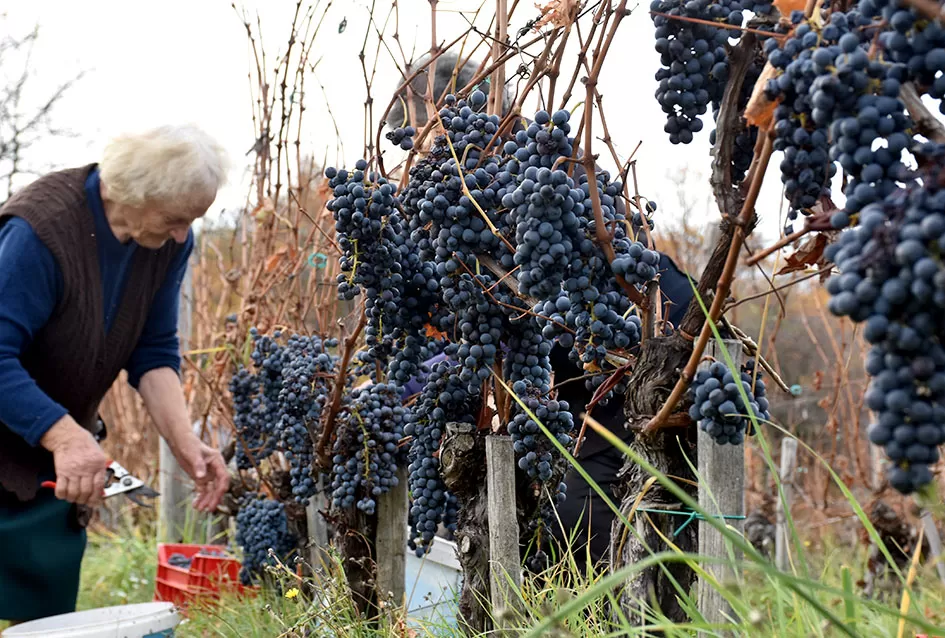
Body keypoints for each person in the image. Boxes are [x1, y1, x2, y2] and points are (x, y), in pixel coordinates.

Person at [388, 52, 696, 570]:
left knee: (582, 531)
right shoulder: (479, 189)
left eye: (418, 141)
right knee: (535, 521)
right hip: (595, 377)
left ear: (452, 122)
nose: (415, 164)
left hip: (637, 374)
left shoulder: (535, 178)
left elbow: (560, 308)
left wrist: (477, 359)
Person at [0, 124, 232, 624]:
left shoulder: (167, 242)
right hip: (27, 437)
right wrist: (65, 437)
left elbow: (154, 351)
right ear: (136, 192)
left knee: (43, 623)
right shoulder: (39, 233)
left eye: (189, 222)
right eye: (174, 219)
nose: (180, 234)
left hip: (47, 468)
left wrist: (186, 444)